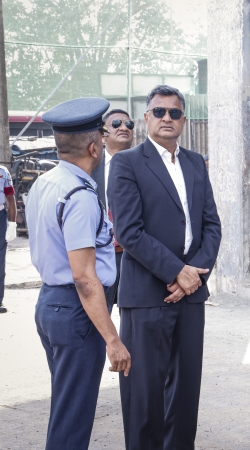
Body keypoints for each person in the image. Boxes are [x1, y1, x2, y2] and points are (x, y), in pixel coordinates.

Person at [109, 85, 222, 450]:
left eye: (174, 112)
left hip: (190, 295)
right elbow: (129, 231)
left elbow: (211, 226)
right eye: (159, 112)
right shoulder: (127, 163)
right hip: (146, 295)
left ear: (184, 120)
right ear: (147, 118)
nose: (167, 118)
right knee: (144, 395)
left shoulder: (195, 162)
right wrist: (177, 272)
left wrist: (193, 275)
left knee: (185, 392)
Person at [26, 97, 131, 450]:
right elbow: (85, 278)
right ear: (94, 147)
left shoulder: (44, 183)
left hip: (49, 303)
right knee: (73, 417)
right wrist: (113, 340)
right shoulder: (80, 195)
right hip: (76, 312)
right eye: (102, 136)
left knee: (65, 406)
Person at [91, 108, 134, 310]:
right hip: (100, 252)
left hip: (134, 253)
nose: (124, 127)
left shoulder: (146, 165)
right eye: (117, 123)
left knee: (133, 316)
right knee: (100, 313)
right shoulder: (90, 166)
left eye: (129, 124)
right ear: (104, 133)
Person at [0, 164, 16, 314]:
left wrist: (12, 224)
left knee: (0, 261)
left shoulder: (3, 172)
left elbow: (10, 198)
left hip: (0, 216)